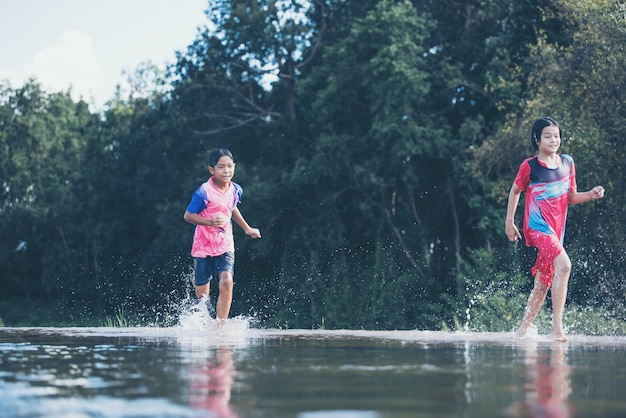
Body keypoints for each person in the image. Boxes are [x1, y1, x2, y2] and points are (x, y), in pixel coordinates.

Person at [505, 117, 604, 342]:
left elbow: (570, 197)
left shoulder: (567, 163)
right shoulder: (529, 166)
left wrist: (590, 194)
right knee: (565, 265)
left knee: (543, 281)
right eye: (548, 136)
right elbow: (515, 191)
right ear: (537, 140)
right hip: (537, 227)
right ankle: (557, 328)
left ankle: (522, 330)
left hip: (557, 231)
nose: (553, 140)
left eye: (557, 136)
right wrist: (509, 222)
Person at [184, 147, 261, 322]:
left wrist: (247, 228)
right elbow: (188, 216)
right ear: (212, 170)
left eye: (229, 166)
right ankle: (202, 316)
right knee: (202, 295)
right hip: (203, 246)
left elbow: (231, 207)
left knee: (226, 280)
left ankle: (221, 325)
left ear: (234, 166)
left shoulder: (236, 190)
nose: (226, 171)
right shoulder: (203, 191)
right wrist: (209, 222)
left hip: (225, 244)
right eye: (221, 167)